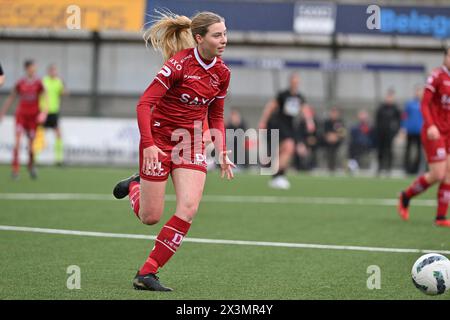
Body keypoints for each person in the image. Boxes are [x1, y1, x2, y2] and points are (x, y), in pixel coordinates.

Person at [111, 11, 234, 291]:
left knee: (188, 209)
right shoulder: (177, 65)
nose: (224, 39)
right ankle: (135, 185)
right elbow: (143, 105)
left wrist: (223, 149)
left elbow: (216, 116)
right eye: (218, 35)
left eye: (225, 33)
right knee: (150, 217)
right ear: (199, 38)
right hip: (158, 141)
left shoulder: (222, 73)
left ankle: (147, 273)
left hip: (189, 144)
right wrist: (149, 144)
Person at [398, 47, 450, 228]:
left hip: (449, 132)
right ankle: (406, 195)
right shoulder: (436, 76)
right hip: (435, 132)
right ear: (445, 56)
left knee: (448, 174)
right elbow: (425, 104)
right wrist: (431, 125)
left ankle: (441, 217)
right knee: (439, 173)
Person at [259, 72, 310, 189]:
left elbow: (305, 110)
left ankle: (277, 175)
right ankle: (278, 176)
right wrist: (263, 121)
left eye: (297, 82)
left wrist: (309, 122)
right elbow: (270, 107)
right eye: (294, 81)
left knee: (285, 152)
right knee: (289, 146)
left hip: (290, 126)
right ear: (290, 82)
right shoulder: (283, 95)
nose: (295, 84)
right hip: (279, 125)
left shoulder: (299, 97)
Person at [0, 60, 48, 179]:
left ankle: (31, 166)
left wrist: (44, 112)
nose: (34, 69)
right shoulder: (20, 83)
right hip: (21, 116)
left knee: (31, 146)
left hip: (33, 118)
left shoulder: (39, 83)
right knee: (17, 143)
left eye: (34, 67)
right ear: (27, 69)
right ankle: (15, 170)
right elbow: (11, 98)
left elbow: (46, 97)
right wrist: (2, 112)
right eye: (32, 67)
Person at [38, 64, 66, 166]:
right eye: (52, 70)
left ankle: (59, 159)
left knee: (58, 134)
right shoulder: (43, 81)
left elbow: (64, 93)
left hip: (54, 111)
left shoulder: (58, 81)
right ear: (48, 71)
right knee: (40, 135)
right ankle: (35, 159)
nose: (54, 72)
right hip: (43, 111)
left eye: (55, 71)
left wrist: (63, 86)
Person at [375, 89, 401, 175]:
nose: (389, 99)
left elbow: (399, 121)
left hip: (390, 133)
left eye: (391, 97)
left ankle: (388, 168)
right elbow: (377, 120)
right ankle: (380, 167)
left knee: (389, 150)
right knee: (380, 150)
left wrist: (396, 131)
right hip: (381, 133)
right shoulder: (381, 108)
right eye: (388, 97)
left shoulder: (395, 109)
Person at [401, 86, 423, 175]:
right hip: (410, 131)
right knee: (408, 149)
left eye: (420, 91)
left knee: (419, 150)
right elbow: (404, 116)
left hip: (420, 131)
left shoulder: (425, 103)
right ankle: (407, 168)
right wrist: (403, 127)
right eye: (417, 91)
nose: (418, 93)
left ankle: (416, 168)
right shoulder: (410, 104)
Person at [323, 106, 346, 172]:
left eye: (335, 113)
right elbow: (324, 133)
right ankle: (329, 168)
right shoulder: (327, 122)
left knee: (339, 151)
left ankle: (338, 168)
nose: (334, 114)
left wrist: (336, 137)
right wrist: (329, 137)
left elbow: (343, 133)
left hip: (338, 143)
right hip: (327, 143)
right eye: (333, 113)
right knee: (329, 150)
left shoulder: (340, 122)